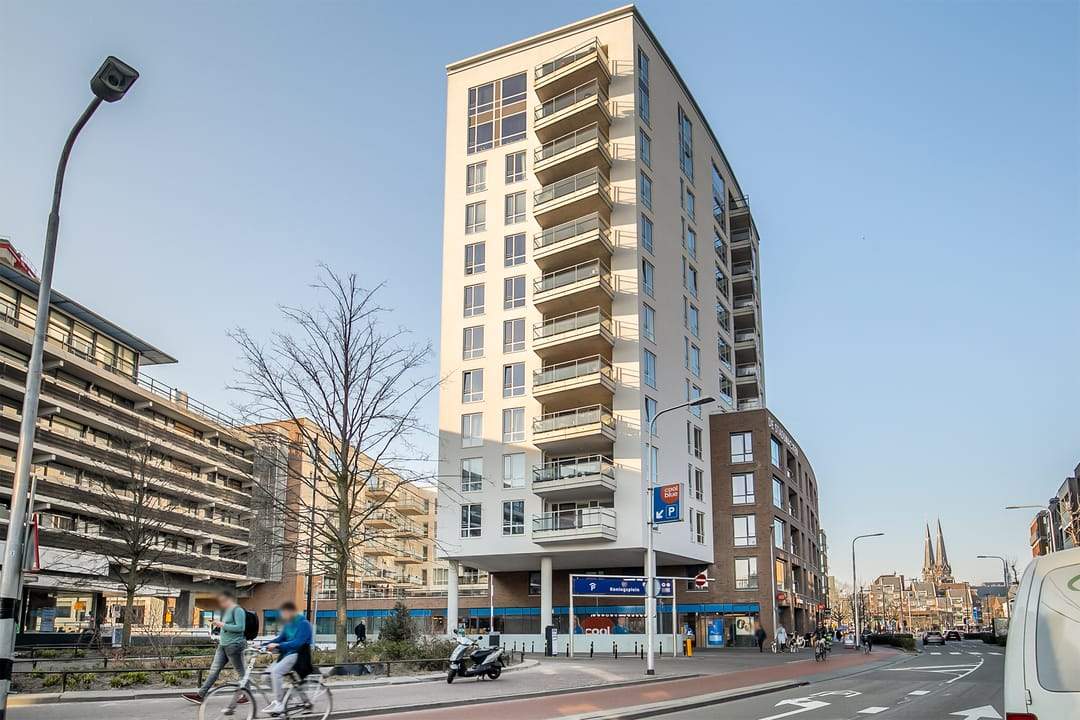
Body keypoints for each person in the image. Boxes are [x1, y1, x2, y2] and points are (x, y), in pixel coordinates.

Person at [182, 591, 248, 705]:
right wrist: (219, 625)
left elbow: (240, 628)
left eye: (224, 600)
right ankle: (200, 695)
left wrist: (222, 625)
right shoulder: (227, 611)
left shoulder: (238, 610)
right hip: (223, 645)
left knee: (241, 671)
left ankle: (247, 696)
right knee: (214, 670)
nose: (222, 603)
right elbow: (227, 627)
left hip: (234, 645)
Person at [263, 601, 313, 715]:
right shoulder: (288, 624)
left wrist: (279, 645)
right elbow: (280, 639)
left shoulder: (304, 624)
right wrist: (263, 645)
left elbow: (298, 643)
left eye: (284, 613)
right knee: (265, 677)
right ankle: (285, 697)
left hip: (298, 655)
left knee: (276, 672)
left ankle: (280, 703)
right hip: (286, 655)